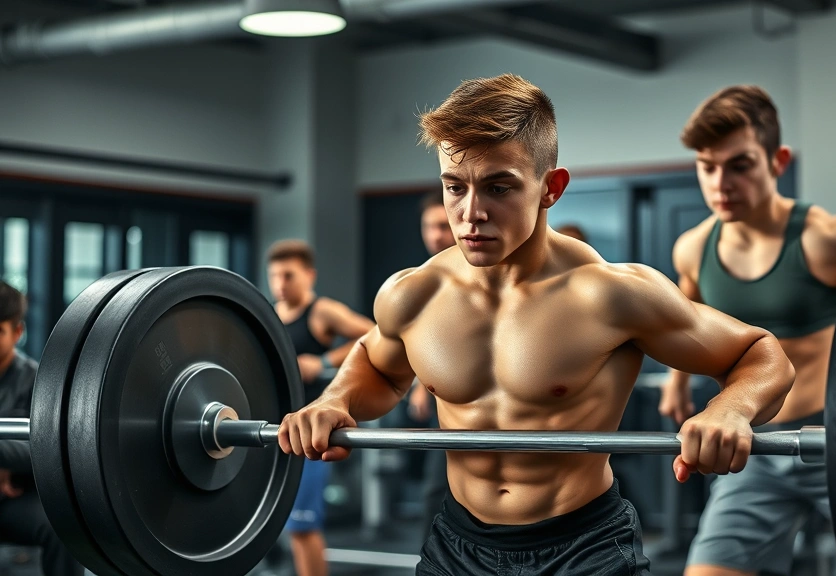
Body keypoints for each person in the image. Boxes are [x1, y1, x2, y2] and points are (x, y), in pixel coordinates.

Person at [277, 74, 796, 576]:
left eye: (498, 187)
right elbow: (378, 364)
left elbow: (762, 354)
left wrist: (730, 409)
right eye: (454, 187)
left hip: (583, 547)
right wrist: (335, 400)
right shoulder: (415, 292)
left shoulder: (611, 294)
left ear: (552, 188)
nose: (471, 213)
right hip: (457, 544)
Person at [660, 85, 836, 576]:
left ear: (777, 160)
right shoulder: (693, 248)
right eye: (707, 167)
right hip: (755, 445)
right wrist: (675, 381)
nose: (720, 183)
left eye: (740, 165)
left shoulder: (826, 238)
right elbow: (685, 303)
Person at [266, 240, 375, 576]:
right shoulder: (270, 312)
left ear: (309, 275)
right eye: (275, 276)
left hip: (309, 436)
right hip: (272, 432)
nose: (281, 284)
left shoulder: (322, 311)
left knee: (302, 527)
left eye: (289, 275)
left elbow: (374, 332)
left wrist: (324, 360)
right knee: (269, 527)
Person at [0, 281, 83, 576]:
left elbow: (46, 446)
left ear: (17, 332)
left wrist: (8, 463)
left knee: (63, 527)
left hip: (14, 498)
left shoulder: (39, 381)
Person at [405, 190, 458, 539]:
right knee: (435, 492)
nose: (436, 235)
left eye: (443, 225)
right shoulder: (419, 283)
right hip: (446, 410)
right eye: (429, 226)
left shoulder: (481, 275)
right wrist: (419, 384)